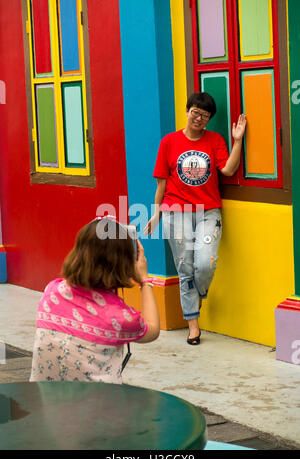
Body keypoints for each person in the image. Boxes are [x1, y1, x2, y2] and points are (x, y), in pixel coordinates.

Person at [144, 92, 246, 345]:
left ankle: (200, 292)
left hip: (208, 211)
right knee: (185, 267)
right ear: (187, 111)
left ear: (209, 119)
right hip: (174, 212)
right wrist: (156, 212)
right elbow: (161, 182)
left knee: (204, 263)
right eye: (196, 112)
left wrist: (237, 141)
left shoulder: (214, 140)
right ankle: (193, 325)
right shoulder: (169, 141)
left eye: (205, 115)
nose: (199, 118)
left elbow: (228, 169)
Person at [30, 216, 160, 383]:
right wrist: (144, 280)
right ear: (126, 263)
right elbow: (153, 329)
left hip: (44, 403)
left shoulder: (52, 291)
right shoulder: (120, 318)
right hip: (96, 407)